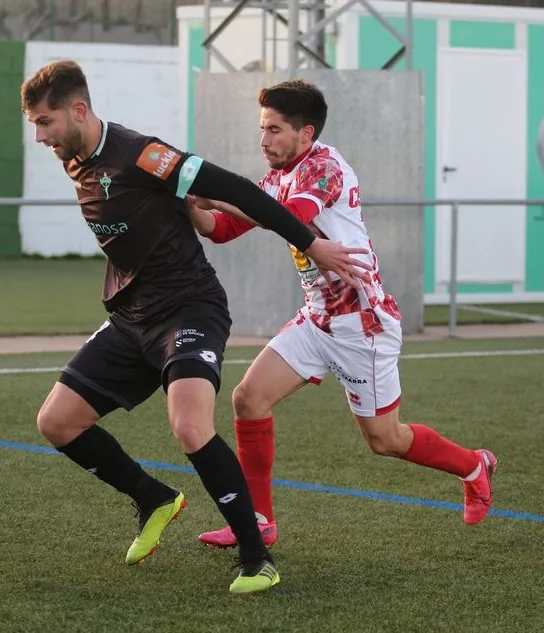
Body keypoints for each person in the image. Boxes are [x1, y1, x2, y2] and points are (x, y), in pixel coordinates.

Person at [20, 60, 372, 594]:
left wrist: (310, 241)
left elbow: (242, 192)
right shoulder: (76, 159)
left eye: (45, 123)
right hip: (131, 317)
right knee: (56, 423)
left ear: (78, 111)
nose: (40, 136)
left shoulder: (143, 153)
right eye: (34, 126)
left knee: (189, 425)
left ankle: (258, 559)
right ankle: (153, 498)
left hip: (189, 309)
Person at [182, 79, 497, 550]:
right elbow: (222, 230)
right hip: (318, 317)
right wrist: (186, 203)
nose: (263, 140)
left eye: (274, 130)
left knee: (385, 440)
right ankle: (259, 521)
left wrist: (214, 192)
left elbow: (287, 214)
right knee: (248, 399)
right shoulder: (275, 177)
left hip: (361, 323)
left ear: (305, 134)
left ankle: (474, 465)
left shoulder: (324, 168)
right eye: (262, 129)